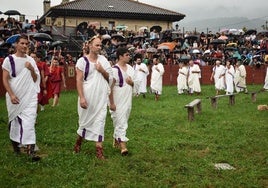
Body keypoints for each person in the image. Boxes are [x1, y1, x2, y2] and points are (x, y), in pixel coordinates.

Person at [73, 35, 113, 160]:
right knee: (85, 122)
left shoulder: (103, 61)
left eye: (100, 45)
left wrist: (102, 70)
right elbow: (79, 81)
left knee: (100, 122)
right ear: (90, 46)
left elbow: (110, 78)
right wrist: (82, 98)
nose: (99, 47)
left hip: (101, 98)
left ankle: (99, 151)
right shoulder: (82, 61)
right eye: (97, 45)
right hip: (88, 97)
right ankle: (78, 142)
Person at [2, 34, 41, 161]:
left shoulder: (31, 60)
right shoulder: (9, 60)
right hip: (15, 96)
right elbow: (5, 79)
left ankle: (31, 152)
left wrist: (31, 70)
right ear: (16, 45)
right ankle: (16, 146)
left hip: (29, 96)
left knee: (29, 122)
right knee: (14, 122)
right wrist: (12, 94)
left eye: (26, 44)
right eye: (22, 43)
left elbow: (36, 79)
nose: (25, 46)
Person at [109, 47, 138, 156]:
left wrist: (132, 83)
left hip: (127, 99)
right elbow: (109, 88)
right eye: (127, 55)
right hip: (117, 100)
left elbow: (136, 83)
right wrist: (111, 103)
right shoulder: (114, 70)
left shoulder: (130, 68)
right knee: (121, 121)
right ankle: (123, 147)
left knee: (122, 119)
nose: (129, 56)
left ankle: (116, 137)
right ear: (120, 56)